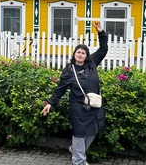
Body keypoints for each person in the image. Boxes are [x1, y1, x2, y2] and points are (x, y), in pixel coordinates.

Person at [41, 22, 108, 165]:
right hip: (79, 107)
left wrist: (101, 32)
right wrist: (50, 104)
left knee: (93, 130)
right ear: (74, 54)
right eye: (78, 52)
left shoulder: (92, 63)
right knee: (79, 133)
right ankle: (79, 161)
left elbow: (103, 49)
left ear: (86, 55)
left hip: (95, 104)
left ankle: (75, 150)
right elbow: (60, 90)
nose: (81, 54)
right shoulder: (69, 71)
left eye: (83, 53)